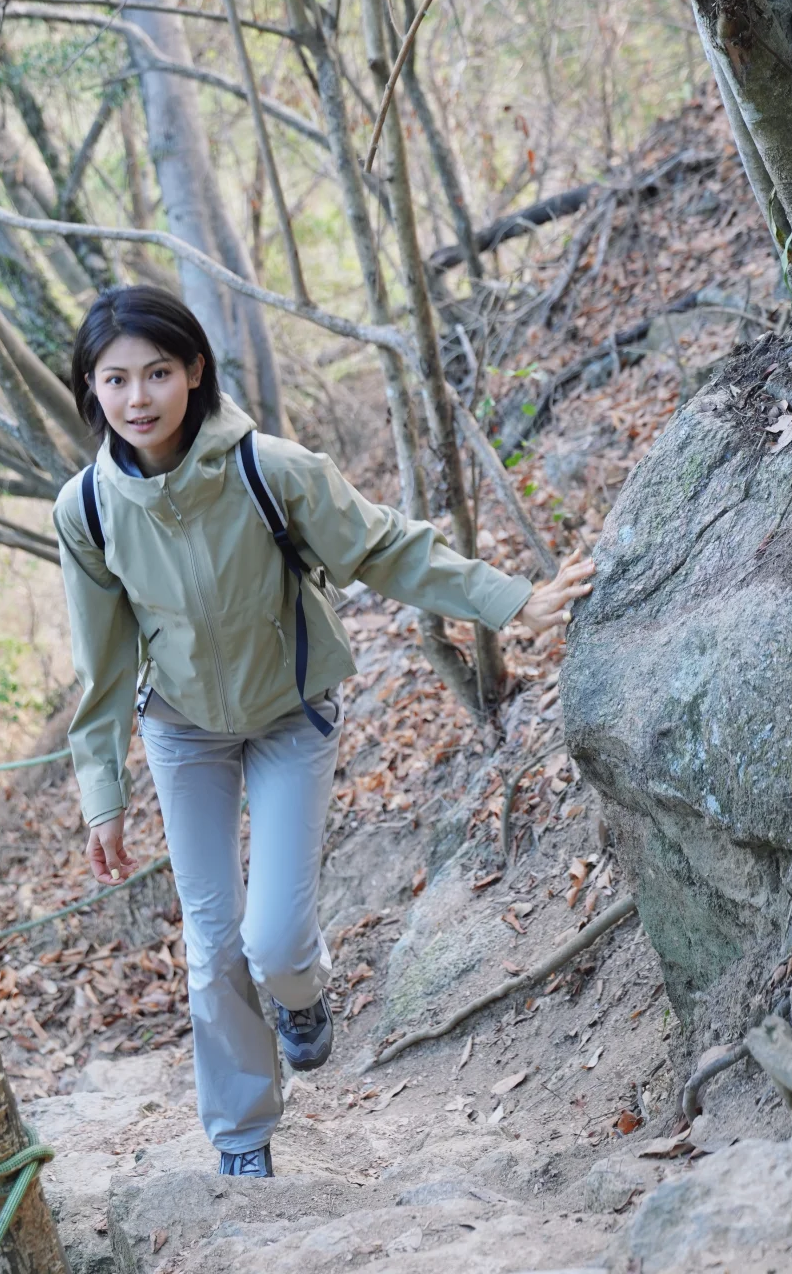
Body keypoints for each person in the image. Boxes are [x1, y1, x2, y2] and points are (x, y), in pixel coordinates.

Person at [54, 284, 594, 1179]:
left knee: (273, 942)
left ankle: (301, 995)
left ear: (195, 371)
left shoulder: (269, 468)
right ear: (91, 388)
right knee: (211, 942)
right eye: (115, 380)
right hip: (183, 733)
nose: (138, 398)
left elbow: (384, 546)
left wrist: (510, 601)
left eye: (157, 372)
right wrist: (102, 796)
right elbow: (103, 664)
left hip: (290, 715)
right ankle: (241, 1136)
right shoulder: (88, 511)